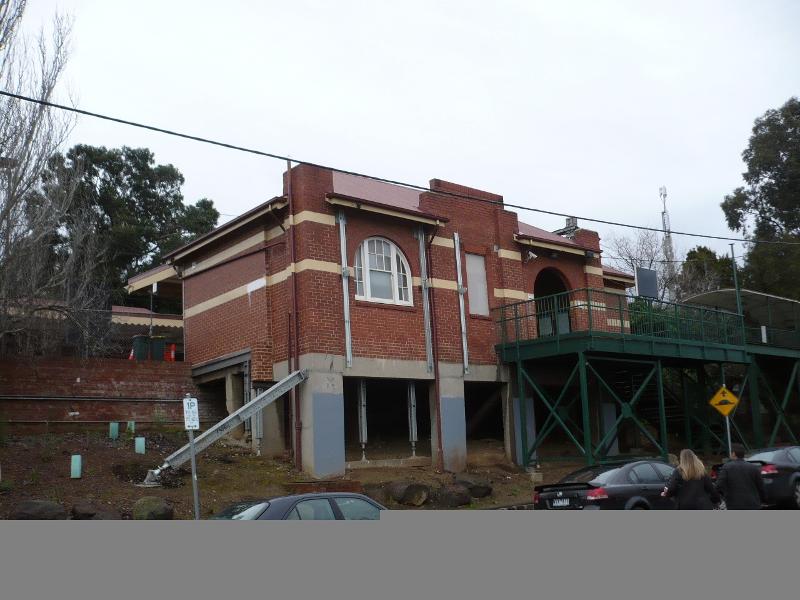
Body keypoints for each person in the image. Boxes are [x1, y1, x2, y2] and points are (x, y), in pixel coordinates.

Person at [715, 443, 765, 510]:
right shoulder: (753, 467)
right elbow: (761, 487)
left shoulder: (726, 467)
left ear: (733, 453)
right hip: (753, 504)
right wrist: (762, 500)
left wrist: (720, 498)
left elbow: (719, 485)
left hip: (734, 504)